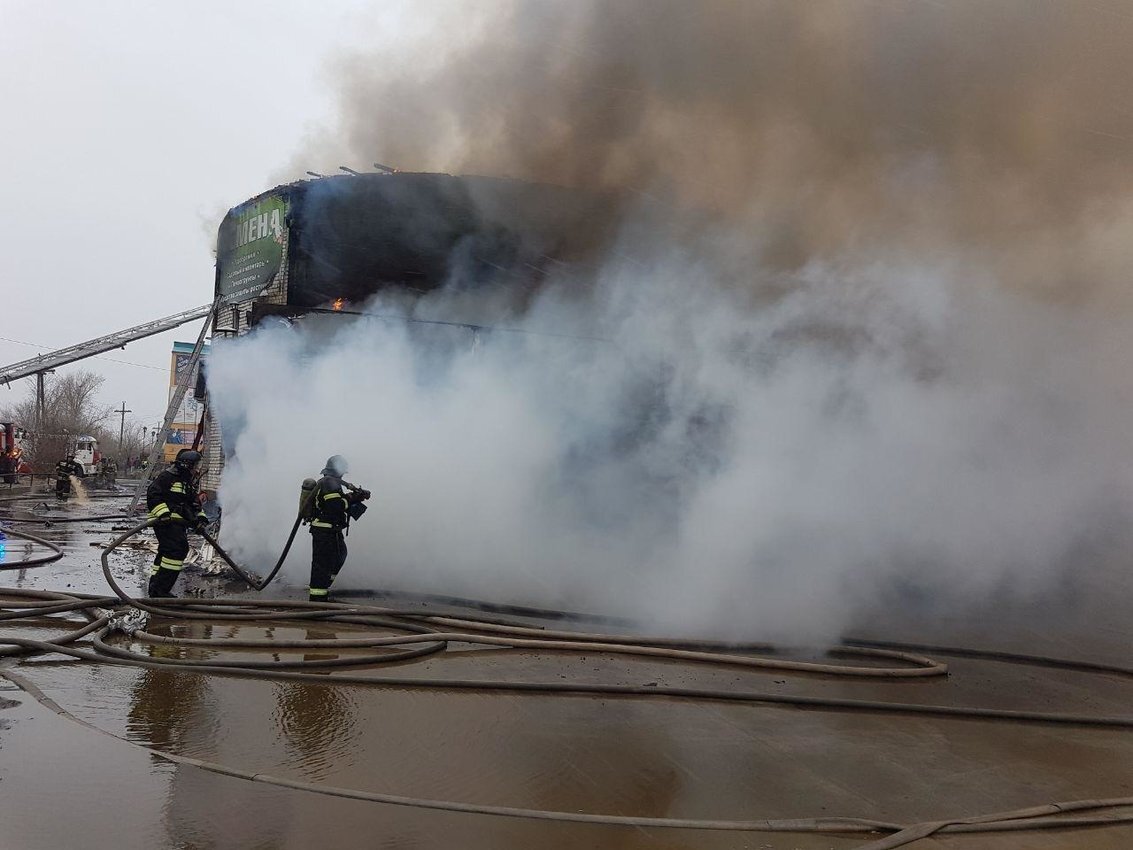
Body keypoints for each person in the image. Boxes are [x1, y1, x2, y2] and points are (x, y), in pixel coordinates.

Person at [145, 448, 208, 598]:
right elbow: (153, 494)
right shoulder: (168, 477)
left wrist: (200, 518)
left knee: (167, 551)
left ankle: (156, 588)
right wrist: (163, 513)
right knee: (177, 549)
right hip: (164, 521)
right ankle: (161, 590)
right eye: (196, 466)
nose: (197, 470)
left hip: (177, 522)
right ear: (187, 465)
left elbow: (193, 503)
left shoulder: (187, 482)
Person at [307, 454, 370, 603]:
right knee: (322, 565)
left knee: (340, 555)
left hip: (331, 531)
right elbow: (336, 506)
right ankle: (317, 600)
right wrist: (352, 498)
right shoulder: (328, 484)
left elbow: (338, 502)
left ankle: (324, 587)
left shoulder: (331, 483)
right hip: (324, 532)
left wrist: (355, 497)